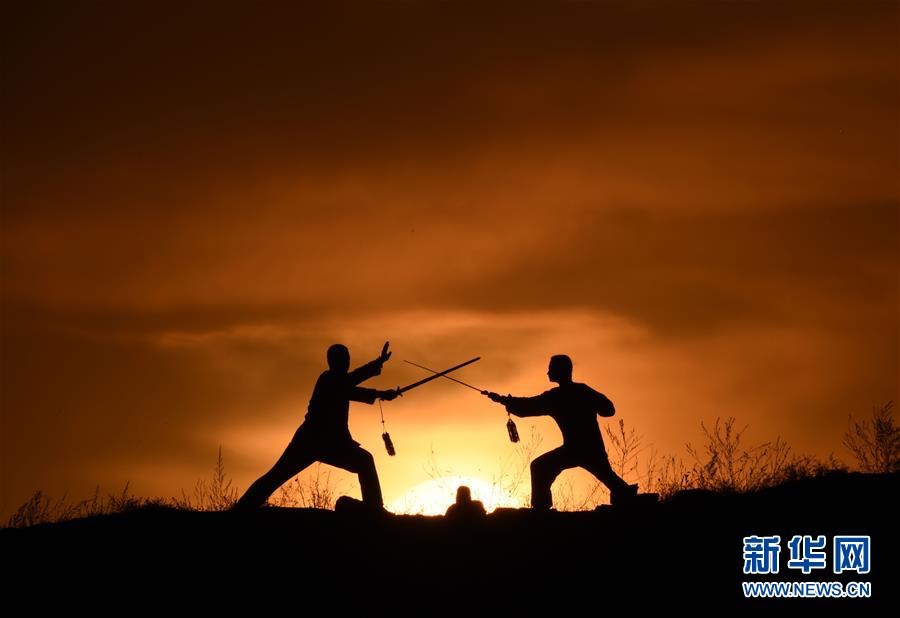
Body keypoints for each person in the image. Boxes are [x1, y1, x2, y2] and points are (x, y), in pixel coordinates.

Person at [233, 341, 399, 512]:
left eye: (347, 358)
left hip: (324, 442)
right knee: (276, 475)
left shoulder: (339, 381)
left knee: (364, 461)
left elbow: (351, 383)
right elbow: (350, 387)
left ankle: (374, 508)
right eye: (343, 359)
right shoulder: (328, 380)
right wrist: (381, 391)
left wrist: (379, 368)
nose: (347, 362)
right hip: (313, 440)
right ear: (334, 362)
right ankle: (241, 508)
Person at [482, 354, 637, 510]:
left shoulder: (555, 397)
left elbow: (528, 406)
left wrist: (504, 400)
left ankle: (541, 508)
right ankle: (628, 497)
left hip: (574, 449)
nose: (548, 373)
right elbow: (608, 409)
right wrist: (504, 400)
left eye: (550, 369)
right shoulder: (582, 391)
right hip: (592, 448)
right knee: (608, 477)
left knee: (540, 467)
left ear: (559, 371)